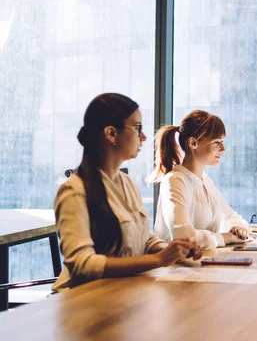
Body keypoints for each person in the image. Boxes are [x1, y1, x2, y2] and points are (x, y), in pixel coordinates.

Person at [53, 93, 201, 291]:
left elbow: (143, 238)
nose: (144, 137)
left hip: (122, 292)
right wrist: (158, 260)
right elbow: (83, 264)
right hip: (85, 301)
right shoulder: (74, 191)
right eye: (138, 128)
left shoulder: (127, 183)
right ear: (111, 134)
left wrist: (174, 251)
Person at [151, 110, 252, 250]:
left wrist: (237, 229)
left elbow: (233, 218)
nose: (223, 149)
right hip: (176, 268)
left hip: (204, 263)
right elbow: (183, 238)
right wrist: (226, 237)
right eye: (217, 142)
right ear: (193, 143)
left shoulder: (205, 181)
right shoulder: (174, 181)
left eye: (222, 142)